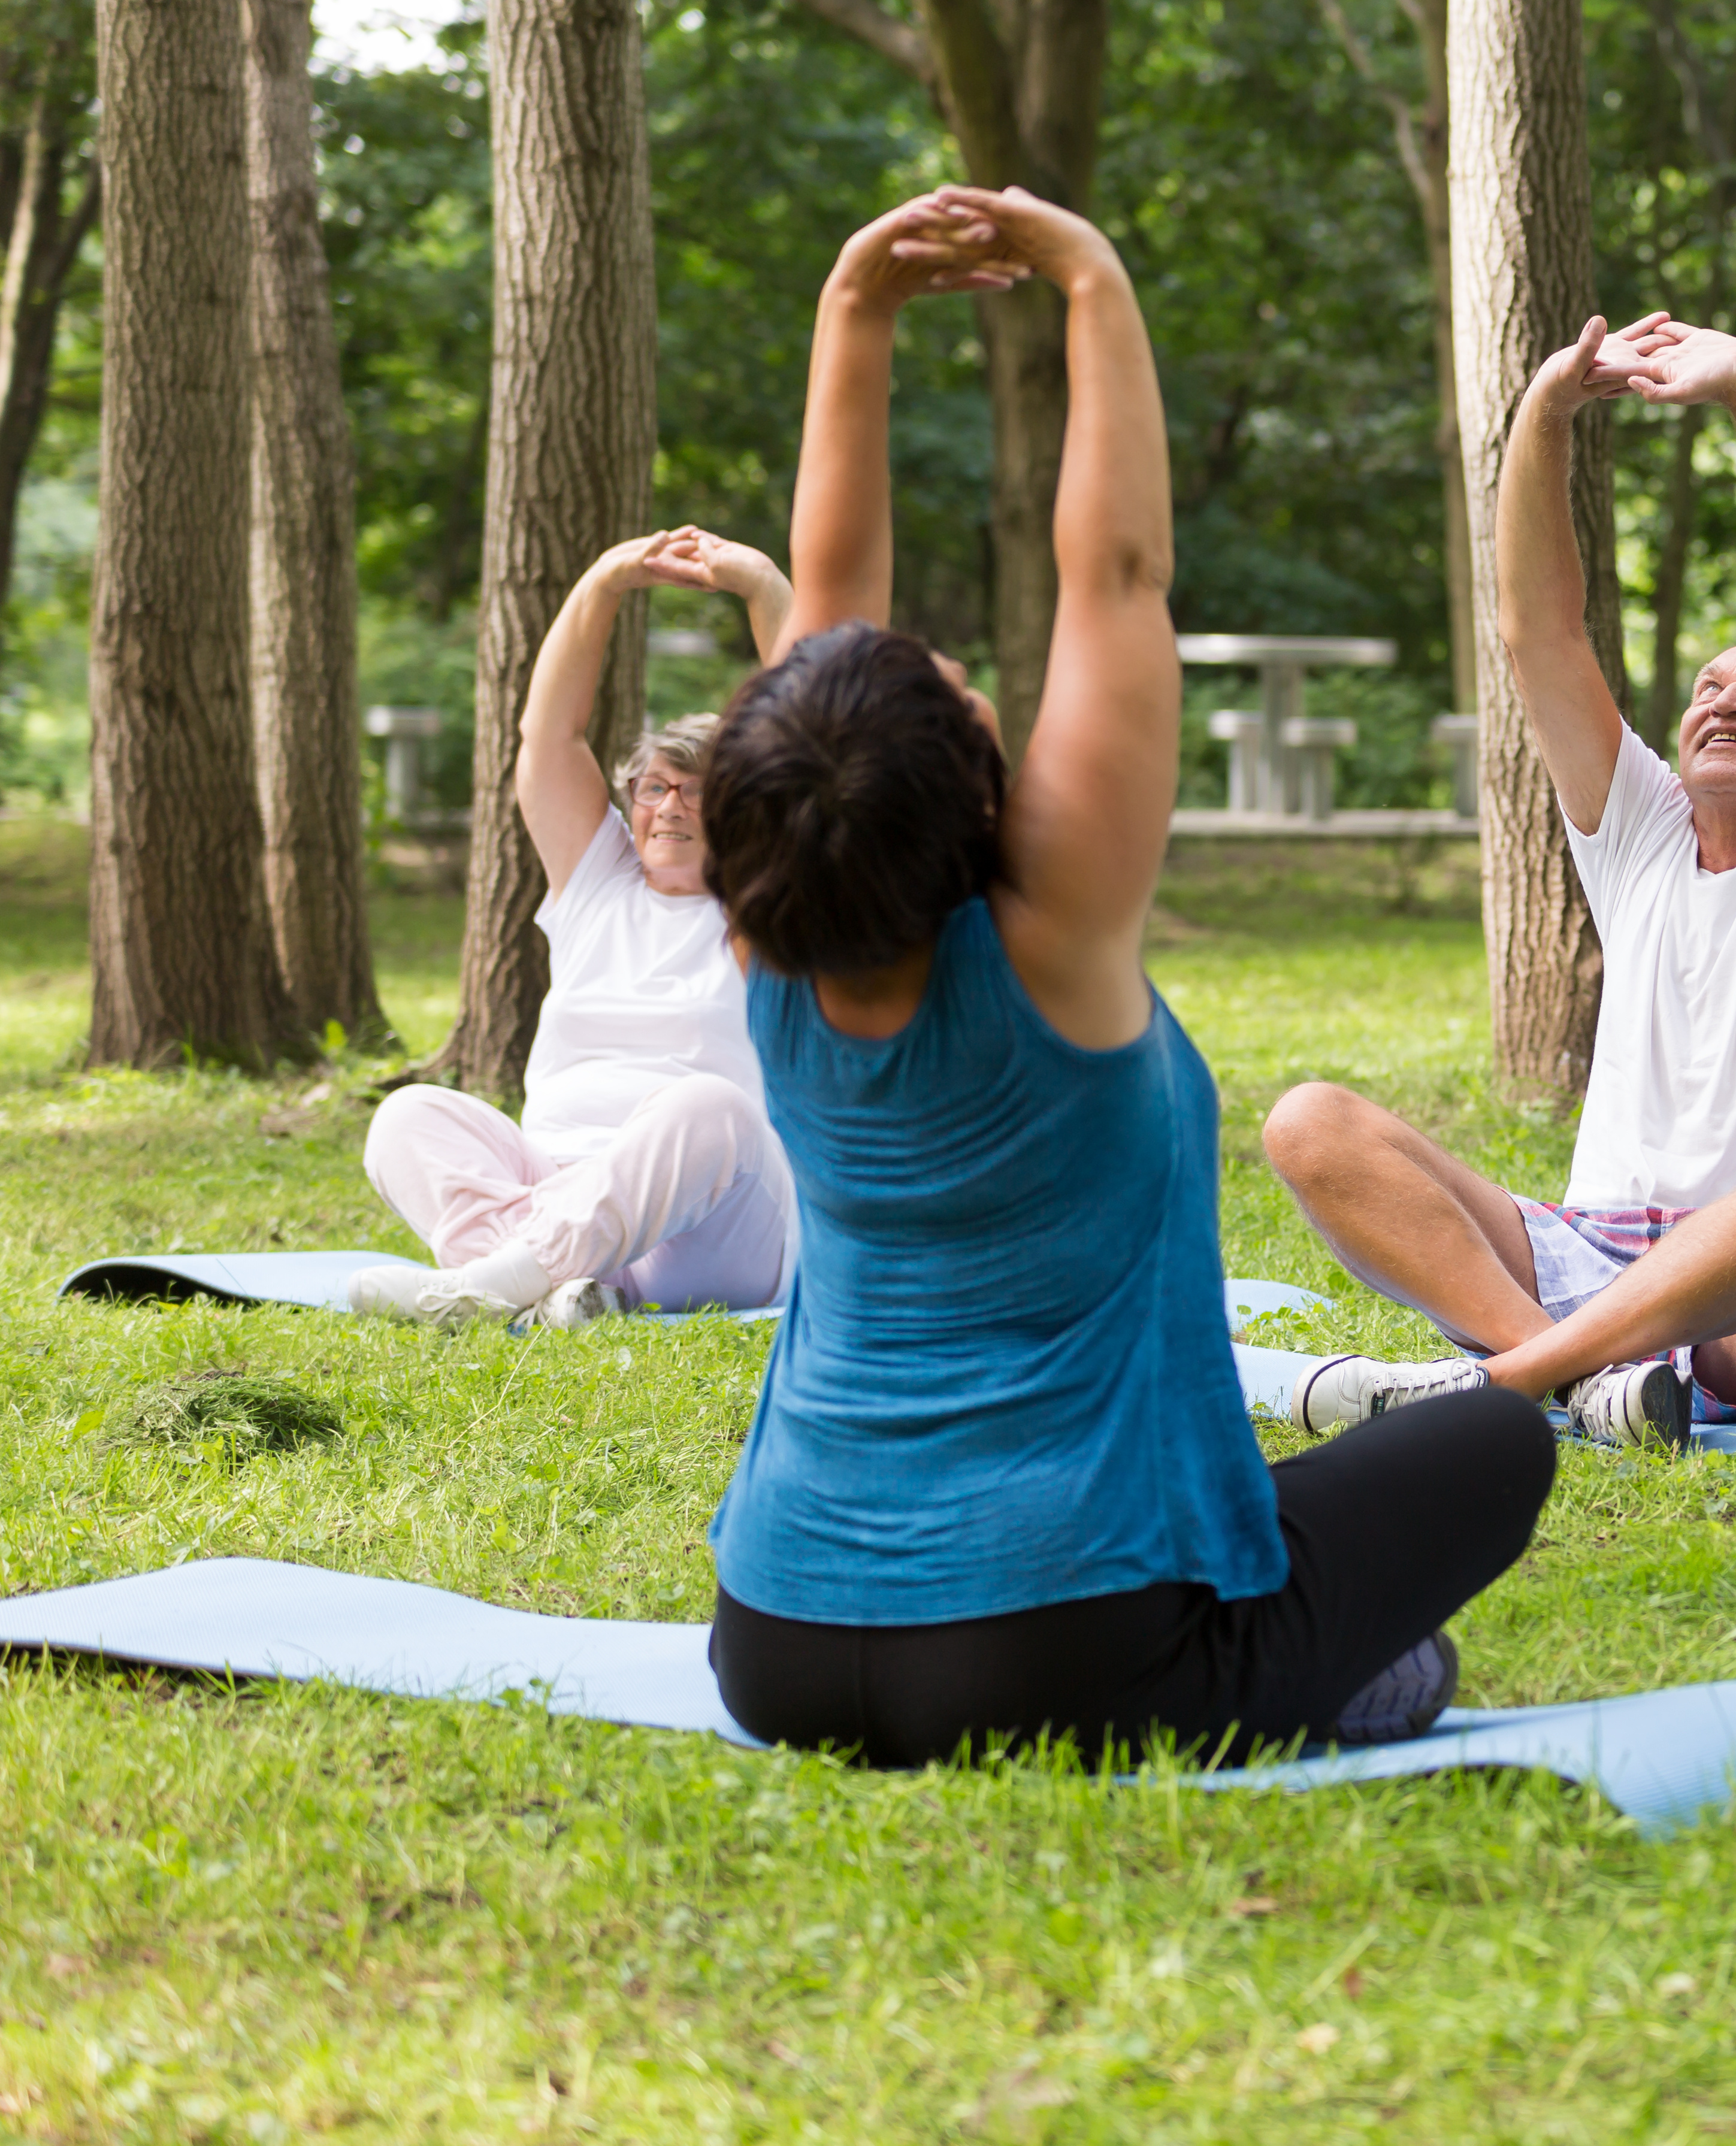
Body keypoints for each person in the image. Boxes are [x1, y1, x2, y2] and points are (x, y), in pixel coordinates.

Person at [695, 187, 1550, 1767]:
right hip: (1048, 1657)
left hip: (781, 1639)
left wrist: (856, 310)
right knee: (1493, 1439)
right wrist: (1088, 280)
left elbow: (821, 631)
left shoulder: (772, 929)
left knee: (1287, 1496)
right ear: (972, 787)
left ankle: (1283, 1649)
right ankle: (1306, 1678)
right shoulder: (1053, 943)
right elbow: (1118, 580)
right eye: (955, 687)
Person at [1261, 312, 1736, 1448]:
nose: (1728, 698)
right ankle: (1575, 1387)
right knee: (1309, 1123)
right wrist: (1546, 412)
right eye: (1712, 685)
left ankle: (1507, 1389)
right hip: (1591, 1262)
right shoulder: (1644, 838)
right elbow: (1537, 634)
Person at [350, 530, 799, 1330]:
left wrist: (764, 588)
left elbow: (815, 755)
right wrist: (602, 584)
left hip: (713, 1218)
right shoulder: (600, 882)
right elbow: (549, 737)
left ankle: (495, 1282)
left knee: (711, 1106)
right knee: (409, 1117)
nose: (669, 806)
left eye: (700, 791)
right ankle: (568, 1294)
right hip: (553, 1186)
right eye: (656, 787)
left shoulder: (768, 906)